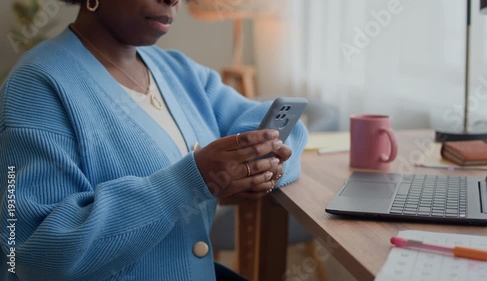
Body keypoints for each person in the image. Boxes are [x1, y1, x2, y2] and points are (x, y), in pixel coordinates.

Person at [0, 0, 308, 280]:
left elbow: (285, 126)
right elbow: (35, 255)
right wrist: (190, 181)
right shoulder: (37, 87)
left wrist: (265, 166)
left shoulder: (174, 69)